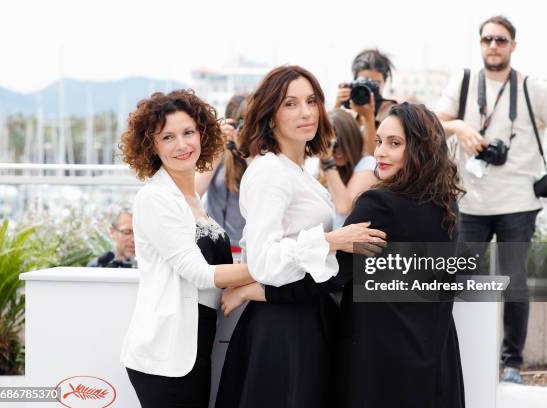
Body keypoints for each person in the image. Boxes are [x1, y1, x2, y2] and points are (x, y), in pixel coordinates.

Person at [223, 102, 466, 407]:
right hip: (435, 357)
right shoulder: (446, 207)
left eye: (395, 144)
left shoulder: (378, 205)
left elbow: (326, 276)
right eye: (378, 141)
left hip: (381, 363)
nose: (379, 152)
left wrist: (252, 290)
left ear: (420, 149)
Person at [215, 65, 386, 408]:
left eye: (311, 101)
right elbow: (263, 261)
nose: (306, 112)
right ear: (270, 115)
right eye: (290, 104)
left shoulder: (298, 170)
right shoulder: (269, 172)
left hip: (303, 314)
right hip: (282, 329)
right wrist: (331, 240)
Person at [435, 15, 547, 384]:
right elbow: (435, 122)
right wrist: (462, 127)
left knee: (515, 283)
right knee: (460, 281)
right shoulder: (465, 81)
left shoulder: (535, 89)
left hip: (519, 203)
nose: (494, 46)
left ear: (513, 45)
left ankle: (512, 363)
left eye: (501, 40)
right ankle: (461, 354)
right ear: (480, 44)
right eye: (487, 39)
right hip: (469, 202)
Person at [118, 89, 255, 408]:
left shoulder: (193, 199)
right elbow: (198, 273)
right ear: (151, 145)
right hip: (164, 356)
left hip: (196, 347)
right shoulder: (155, 198)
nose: (181, 145)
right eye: (168, 137)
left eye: (188, 133)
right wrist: (275, 267)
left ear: (203, 135)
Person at [195, 94, 249, 255]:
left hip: (249, 249)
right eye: (238, 124)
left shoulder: (261, 157)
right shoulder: (216, 152)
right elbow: (194, 192)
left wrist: (245, 151)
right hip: (215, 247)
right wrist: (218, 145)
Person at [320, 109, 378, 229]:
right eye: (333, 145)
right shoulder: (330, 170)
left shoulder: (368, 164)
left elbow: (344, 207)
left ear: (353, 139)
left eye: (343, 143)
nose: (338, 151)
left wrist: (328, 161)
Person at [334, 49, 397, 155]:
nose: (368, 89)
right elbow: (325, 145)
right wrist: (337, 105)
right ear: (354, 81)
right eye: (364, 82)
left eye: (375, 83)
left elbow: (375, 156)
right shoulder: (348, 110)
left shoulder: (391, 111)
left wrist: (368, 119)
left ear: (385, 82)